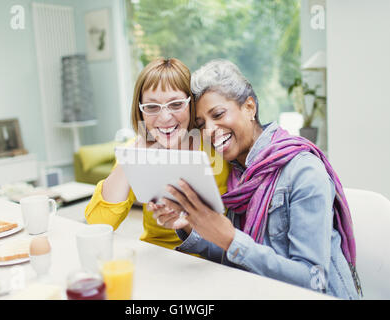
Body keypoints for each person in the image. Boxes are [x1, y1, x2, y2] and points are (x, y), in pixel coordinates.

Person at [152, 59, 362, 299]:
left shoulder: (303, 171)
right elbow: (235, 256)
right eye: (201, 124)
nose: (209, 130)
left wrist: (231, 239)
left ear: (249, 107)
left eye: (218, 114)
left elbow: (313, 281)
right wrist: (192, 224)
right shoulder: (238, 176)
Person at [85, 58, 229, 250]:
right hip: (155, 256)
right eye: (152, 107)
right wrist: (135, 152)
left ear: (191, 104)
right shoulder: (134, 151)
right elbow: (98, 225)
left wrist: (184, 221)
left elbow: (226, 237)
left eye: (176, 104)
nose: (164, 118)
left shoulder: (215, 150)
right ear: (141, 111)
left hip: (207, 260)